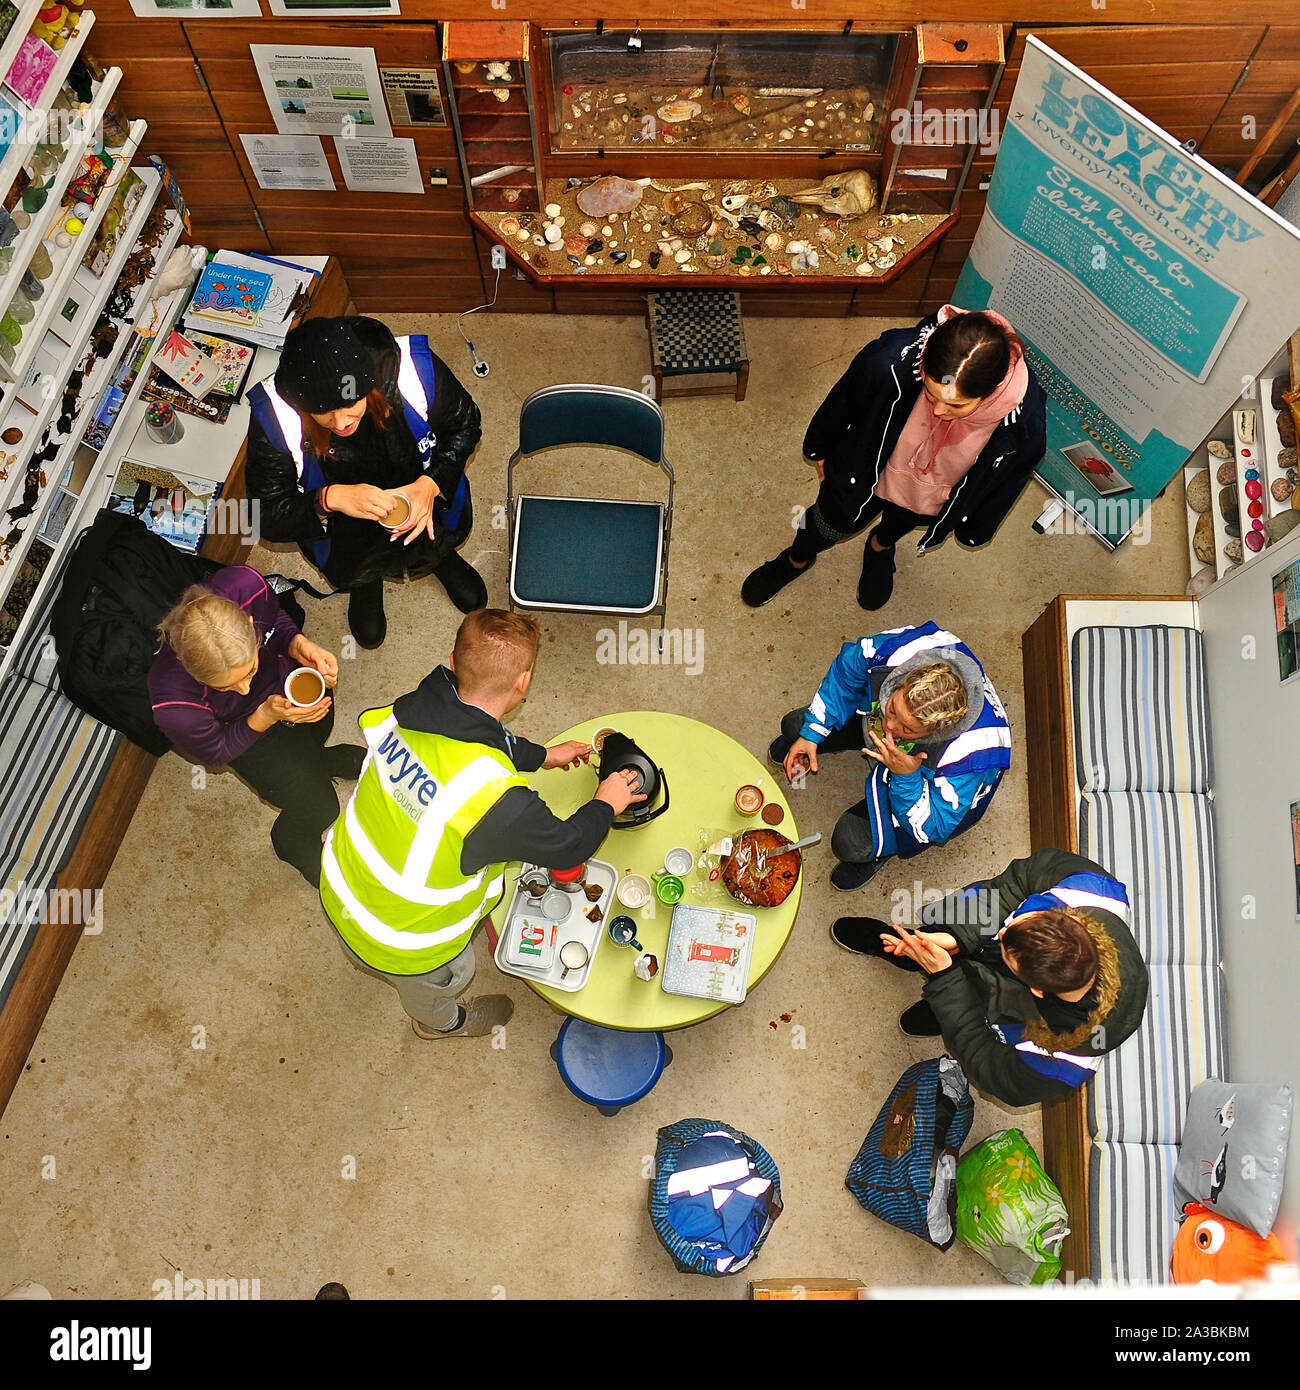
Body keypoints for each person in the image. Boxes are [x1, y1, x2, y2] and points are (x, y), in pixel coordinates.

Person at [320, 609, 646, 1040]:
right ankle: (441, 1023)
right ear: (523, 683)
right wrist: (607, 800)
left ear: (453, 661)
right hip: (398, 941)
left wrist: (543, 756)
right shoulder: (497, 806)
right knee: (450, 977)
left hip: (339, 882)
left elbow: (480, 733)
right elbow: (569, 847)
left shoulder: (411, 713)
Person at [742, 305, 1046, 611]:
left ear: (990, 393)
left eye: (958, 406)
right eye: (931, 393)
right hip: (868, 469)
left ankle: (880, 545)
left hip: (932, 492)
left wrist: (977, 527)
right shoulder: (890, 359)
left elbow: (1011, 477)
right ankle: (796, 559)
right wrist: (822, 445)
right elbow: (845, 398)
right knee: (825, 522)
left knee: (902, 521)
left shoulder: (1023, 424)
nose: (939, 411)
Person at [832, 848, 1149, 1108]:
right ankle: (915, 959)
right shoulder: (1090, 889)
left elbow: (984, 1062)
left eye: (1006, 946)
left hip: (998, 1012)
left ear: (1035, 990)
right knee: (938, 944)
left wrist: (944, 979)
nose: (999, 932)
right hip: (1002, 967)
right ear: (1072, 921)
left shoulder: (1062, 1062)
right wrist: (956, 935)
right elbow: (1017, 882)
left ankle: (944, 1007)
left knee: (959, 1008)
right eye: (1018, 920)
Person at [246, 315, 488, 649]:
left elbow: (465, 424)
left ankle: (440, 557)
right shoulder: (275, 415)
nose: (341, 422)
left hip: (420, 493)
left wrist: (431, 483)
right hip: (345, 530)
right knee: (356, 568)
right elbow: (265, 515)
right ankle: (366, 581)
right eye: (323, 411)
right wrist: (328, 499)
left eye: (349, 403)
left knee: (434, 534)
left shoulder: (410, 370)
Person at [148, 565, 365, 885]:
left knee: (319, 726)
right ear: (194, 676)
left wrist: (298, 644)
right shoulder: (173, 705)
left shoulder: (246, 586)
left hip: (287, 685)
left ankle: (320, 760)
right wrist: (264, 716)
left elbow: (276, 621)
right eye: (226, 687)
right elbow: (216, 751)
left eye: (249, 669)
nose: (245, 689)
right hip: (247, 737)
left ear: (251, 624)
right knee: (321, 808)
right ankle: (290, 840)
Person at [769, 621, 1011, 891]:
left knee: (848, 841)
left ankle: (879, 852)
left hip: (922, 785)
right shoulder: (897, 651)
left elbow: (932, 826)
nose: (889, 728)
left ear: (936, 731)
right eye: (893, 708)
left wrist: (905, 776)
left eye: (907, 729)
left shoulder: (972, 757)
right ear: (905, 679)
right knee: (797, 725)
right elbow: (846, 674)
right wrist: (811, 734)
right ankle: (824, 737)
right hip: (897, 738)